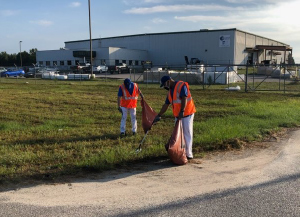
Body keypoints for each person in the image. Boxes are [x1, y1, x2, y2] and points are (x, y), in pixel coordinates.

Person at [153, 75, 196, 159]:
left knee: (187, 133)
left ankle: (188, 154)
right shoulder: (170, 93)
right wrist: (159, 115)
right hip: (178, 115)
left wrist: (182, 111)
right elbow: (166, 105)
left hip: (187, 113)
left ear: (168, 81)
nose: (165, 87)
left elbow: (184, 98)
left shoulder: (181, 85)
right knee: (179, 134)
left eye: (165, 84)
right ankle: (181, 151)